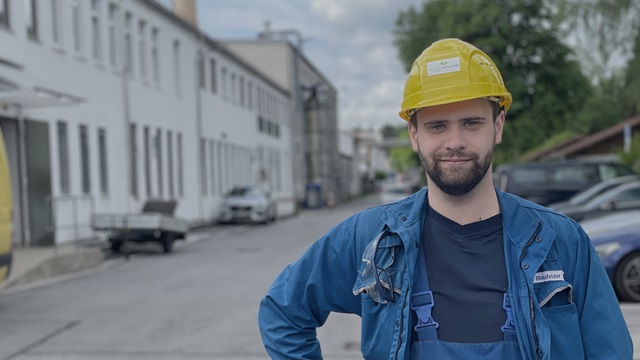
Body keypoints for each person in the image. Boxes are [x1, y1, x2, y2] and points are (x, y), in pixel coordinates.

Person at [258, 38, 633, 359]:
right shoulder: (372, 238)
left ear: (497, 126)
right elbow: (283, 311)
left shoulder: (561, 242)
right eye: (437, 125)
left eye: (471, 122)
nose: (455, 141)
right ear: (414, 134)